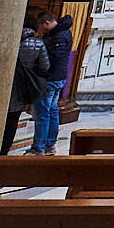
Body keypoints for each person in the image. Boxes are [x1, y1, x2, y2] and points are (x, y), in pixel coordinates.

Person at [4, 10, 48, 154]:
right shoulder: (37, 43)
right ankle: (3, 151)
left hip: (2, 86)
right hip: (21, 89)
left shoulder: (6, 40)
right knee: (12, 121)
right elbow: (45, 66)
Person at [30, 10, 74, 154]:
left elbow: (52, 61)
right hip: (58, 78)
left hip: (50, 80)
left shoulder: (58, 36)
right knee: (52, 111)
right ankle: (49, 145)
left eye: (41, 26)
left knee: (42, 113)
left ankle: (39, 147)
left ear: (47, 23)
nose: (40, 30)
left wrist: (39, 72)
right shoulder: (63, 32)